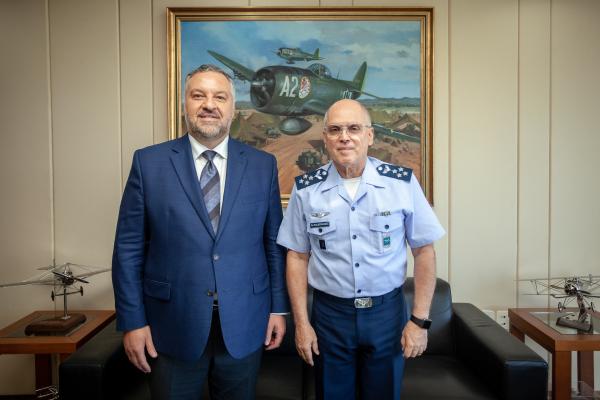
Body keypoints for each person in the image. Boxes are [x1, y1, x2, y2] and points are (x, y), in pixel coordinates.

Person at [112, 64, 289, 400]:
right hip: (170, 325)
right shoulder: (149, 163)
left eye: (219, 96)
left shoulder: (262, 165)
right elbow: (128, 249)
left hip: (244, 323)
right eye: (199, 95)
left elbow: (272, 244)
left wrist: (277, 308)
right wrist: (133, 322)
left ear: (233, 109)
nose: (209, 104)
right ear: (185, 105)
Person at [277, 99, 445, 400]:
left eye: (354, 128)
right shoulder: (306, 189)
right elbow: (297, 257)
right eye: (335, 129)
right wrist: (302, 324)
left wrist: (419, 320)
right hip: (330, 315)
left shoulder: (401, 184)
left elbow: (424, 251)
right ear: (325, 138)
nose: (345, 136)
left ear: (370, 135)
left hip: (387, 314)